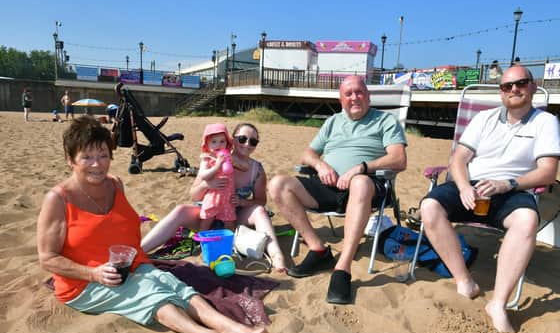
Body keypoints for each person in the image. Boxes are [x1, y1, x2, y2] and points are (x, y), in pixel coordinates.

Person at [37, 116, 267, 333]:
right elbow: (48, 258)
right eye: (87, 157)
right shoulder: (59, 199)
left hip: (128, 266)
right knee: (153, 294)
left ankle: (229, 326)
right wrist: (93, 273)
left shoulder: (115, 184)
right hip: (84, 283)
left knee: (175, 285)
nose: (97, 164)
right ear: (70, 160)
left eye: (103, 155)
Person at [419, 66, 560, 333]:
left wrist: (506, 183)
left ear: (532, 86)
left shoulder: (545, 122)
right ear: (501, 92)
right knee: (429, 207)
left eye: (521, 83)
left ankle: (498, 303)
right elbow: (458, 159)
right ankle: (464, 280)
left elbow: (548, 172)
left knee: (527, 220)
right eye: (507, 86)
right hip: (471, 187)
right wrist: (463, 187)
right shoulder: (483, 119)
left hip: (512, 189)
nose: (514, 90)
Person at [268, 75, 407, 304]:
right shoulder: (333, 121)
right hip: (328, 186)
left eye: (359, 92)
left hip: (366, 189)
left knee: (360, 182)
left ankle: (343, 267)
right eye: (348, 94)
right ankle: (318, 250)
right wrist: (320, 165)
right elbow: (307, 154)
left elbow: (399, 159)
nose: (354, 97)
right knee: (278, 184)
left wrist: (361, 168)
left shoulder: (385, 121)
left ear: (368, 96)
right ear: (341, 99)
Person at [141, 123, 289, 273]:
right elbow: (194, 195)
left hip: (233, 218)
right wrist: (207, 184)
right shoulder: (213, 158)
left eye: (253, 141)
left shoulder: (256, 169)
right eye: (242, 139)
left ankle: (276, 256)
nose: (247, 144)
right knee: (180, 210)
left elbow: (261, 200)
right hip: (206, 214)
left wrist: (242, 201)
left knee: (259, 211)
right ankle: (140, 249)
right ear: (232, 139)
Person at [198, 124, 235, 231]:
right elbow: (203, 175)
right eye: (214, 142)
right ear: (207, 144)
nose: (218, 145)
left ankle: (231, 243)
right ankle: (202, 242)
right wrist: (217, 166)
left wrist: (233, 161)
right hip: (213, 196)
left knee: (230, 222)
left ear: (227, 143)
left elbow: (243, 167)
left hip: (228, 196)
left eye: (222, 141)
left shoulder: (228, 156)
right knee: (206, 221)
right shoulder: (207, 159)